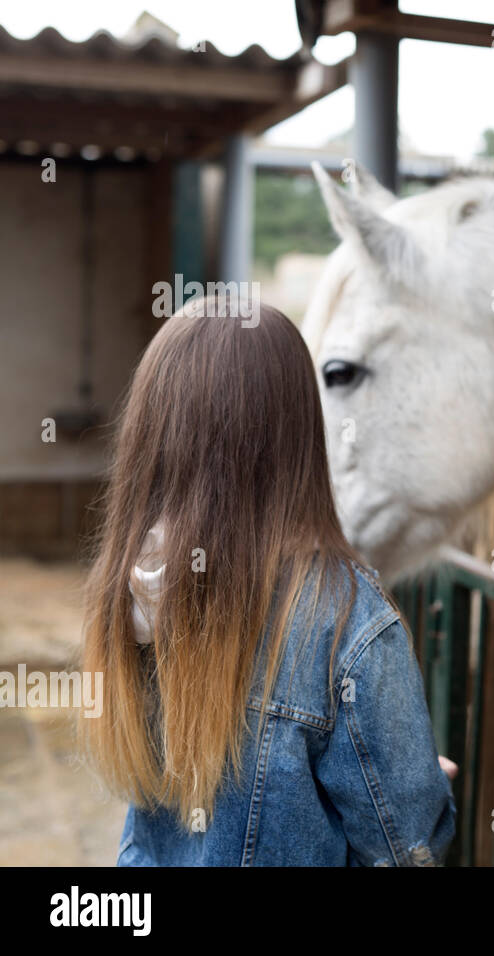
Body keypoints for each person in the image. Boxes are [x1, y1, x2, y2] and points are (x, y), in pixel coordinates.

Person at [80, 295, 455, 865]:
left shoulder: (130, 588)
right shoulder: (347, 619)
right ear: (296, 431)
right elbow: (405, 845)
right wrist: (433, 787)